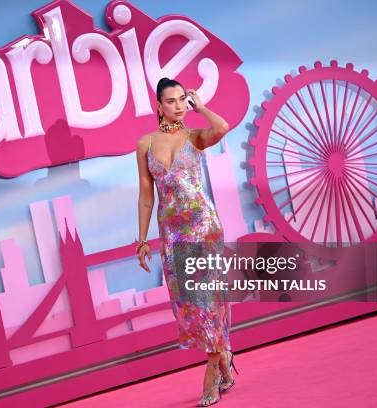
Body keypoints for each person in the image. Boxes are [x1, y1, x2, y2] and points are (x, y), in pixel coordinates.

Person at [136, 77, 238, 406]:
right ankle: (224, 361)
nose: (179, 105)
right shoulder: (145, 145)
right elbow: (146, 195)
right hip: (172, 234)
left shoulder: (194, 137)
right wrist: (141, 239)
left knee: (208, 300)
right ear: (158, 106)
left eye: (183, 99)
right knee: (190, 305)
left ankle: (211, 375)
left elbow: (222, 126)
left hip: (203, 227)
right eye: (172, 100)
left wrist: (202, 106)